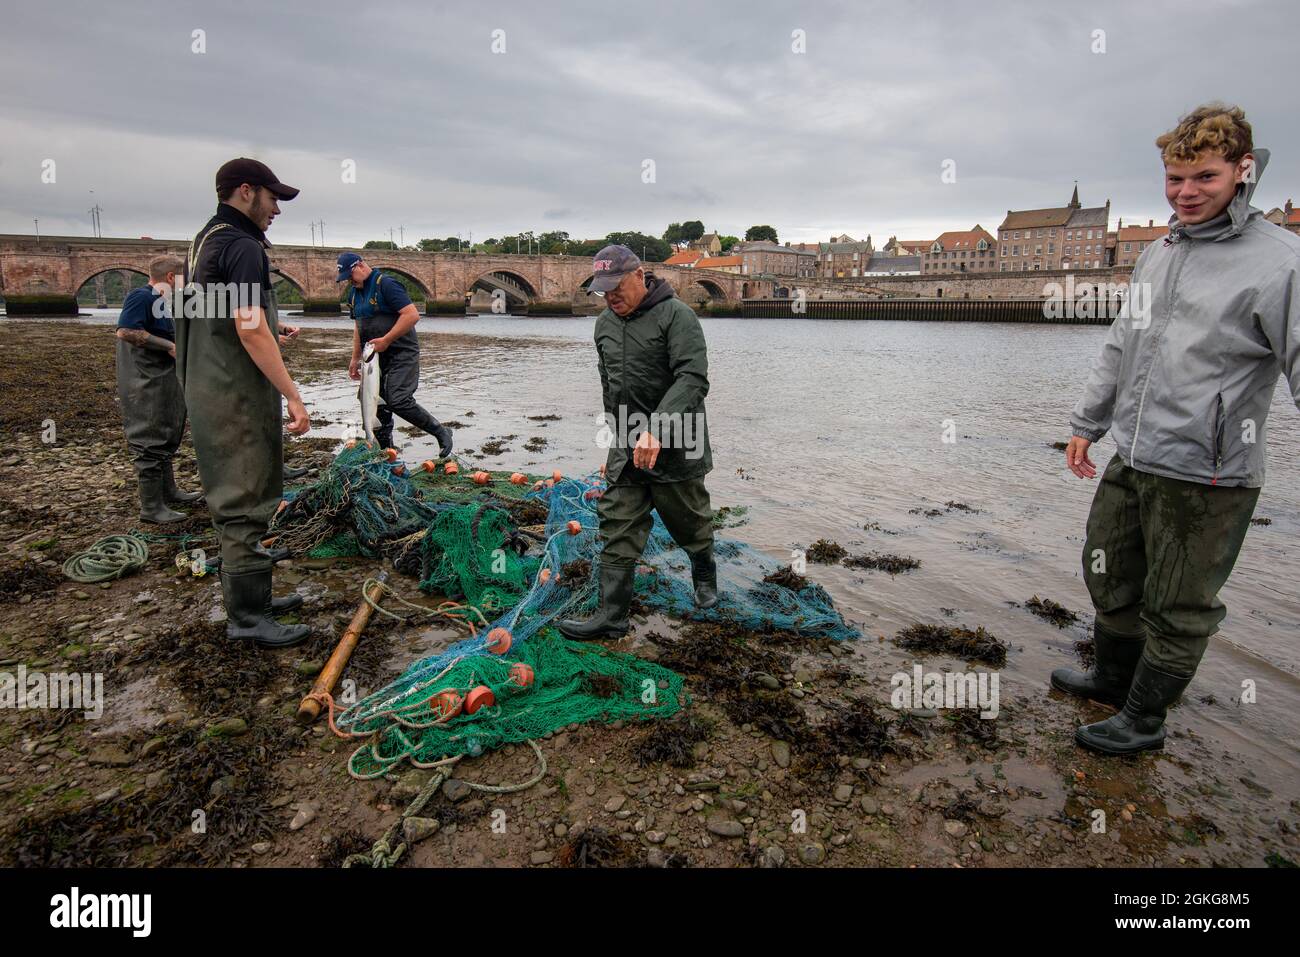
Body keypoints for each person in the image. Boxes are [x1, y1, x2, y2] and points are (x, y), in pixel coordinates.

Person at [1057, 104, 1300, 755]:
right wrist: (1088, 422)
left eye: (1204, 178)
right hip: (1132, 453)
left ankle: (1143, 719)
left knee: (1178, 605)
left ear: (1243, 172)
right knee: (1107, 568)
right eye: (1174, 178)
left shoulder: (1281, 263)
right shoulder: (1160, 254)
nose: (1186, 193)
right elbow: (1120, 345)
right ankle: (1111, 679)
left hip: (1209, 472)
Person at [176, 157, 311, 649]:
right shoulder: (242, 247)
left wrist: (272, 329)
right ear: (246, 191)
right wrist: (292, 394)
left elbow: (218, 315)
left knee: (237, 487)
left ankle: (253, 599)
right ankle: (249, 617)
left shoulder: (205, 241)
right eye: (274, 198)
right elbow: (248, 327)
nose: (277, 208)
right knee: (244, 494)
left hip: (209, 384)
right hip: (236, 390)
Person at [557, 245, 717, 641]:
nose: (610, 296)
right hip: (628, 441)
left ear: (640, 274)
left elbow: (693, 379)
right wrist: (615, 444)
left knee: (688, 521)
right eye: (603, 289)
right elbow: (610, 387)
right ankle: (612, 618)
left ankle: (703, 572)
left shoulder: (678, 316)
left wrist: (659, 429)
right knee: (617, 521)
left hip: (681, 439)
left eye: (616, 286)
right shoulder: (605, 325)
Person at [338, 253, 453, 457]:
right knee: (375, 404)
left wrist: (387, 340)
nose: (349, 281)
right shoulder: (354, 294)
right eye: (346, 278)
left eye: (350, 276)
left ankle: (441, 431)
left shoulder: (386, 284)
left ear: (361, 266)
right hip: (374, 357)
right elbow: (358, 326)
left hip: (402, 352)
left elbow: (411, 314)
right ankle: (386, 452)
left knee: (397, 399)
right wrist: (355, 357)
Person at [114, 256, 201, 524]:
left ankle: (169, 492)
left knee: (166, 431)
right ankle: (151, 507)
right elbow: (125, 331)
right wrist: (169, 346)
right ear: (172, 278)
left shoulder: (165, 302)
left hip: (163, 376)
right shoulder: (141, 297)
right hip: (144, 379)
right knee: (148, 438)